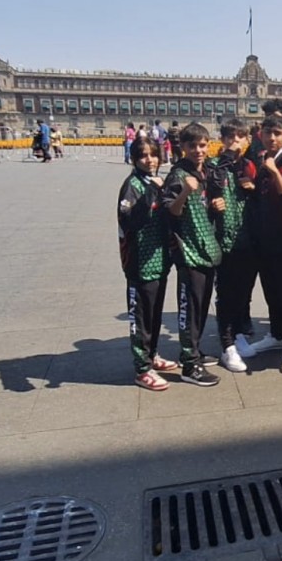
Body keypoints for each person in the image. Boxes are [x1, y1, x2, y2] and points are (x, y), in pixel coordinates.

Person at [161, 123, 223, 386]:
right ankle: (189, 364)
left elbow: (204, 204)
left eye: (202, 145)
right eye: (192, 146)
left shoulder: (206, 171)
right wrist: (186, 191)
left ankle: (195, 350)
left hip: (205, 247)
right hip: (188, 251)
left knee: (201, 305)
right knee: (190, 307)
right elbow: (171, 211)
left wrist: (216, 205)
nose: (198, 150)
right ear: (183, 147)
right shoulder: (178, 175)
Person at [246, 115, 282, 374]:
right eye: (268, 132)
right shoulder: (261, 160)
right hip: (263, 240)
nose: (271, 138)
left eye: (277, 133)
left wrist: (273, 172)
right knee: (270, 291)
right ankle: (277, 333)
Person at [117, 136, 176, 390]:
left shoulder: (154, 180)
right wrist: (153, 192)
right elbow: (130, 220)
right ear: (134, 159)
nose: (149, 160)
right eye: (143, 155)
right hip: (139, 261)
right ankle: (142, 368)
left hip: (158, 259)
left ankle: (152, 354)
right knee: (141, 316)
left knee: (154, 313)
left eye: (153, 154)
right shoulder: (132, 185)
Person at [207, 118, 259, 372]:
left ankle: (238, 333)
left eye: (240, 137)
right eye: (230, 137)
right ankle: (227, 345)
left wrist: (252, 188)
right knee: (226, 294)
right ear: (222, 140)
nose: (235, 142)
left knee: (242, 292)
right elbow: (212, 185)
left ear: (248, 140)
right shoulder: (214, 165)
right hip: (223, 239)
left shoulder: (248, 165)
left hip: (246, 239)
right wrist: (227, 157)